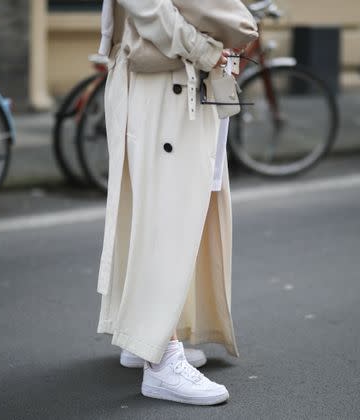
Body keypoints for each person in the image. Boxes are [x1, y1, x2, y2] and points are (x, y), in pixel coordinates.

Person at [95, 0, 256, 405]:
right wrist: (210, 51)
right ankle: (162, 361)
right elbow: (149, 10)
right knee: (165, 216)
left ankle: (147, 335)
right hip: (166, 82)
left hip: (186, 81)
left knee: (179, 210)